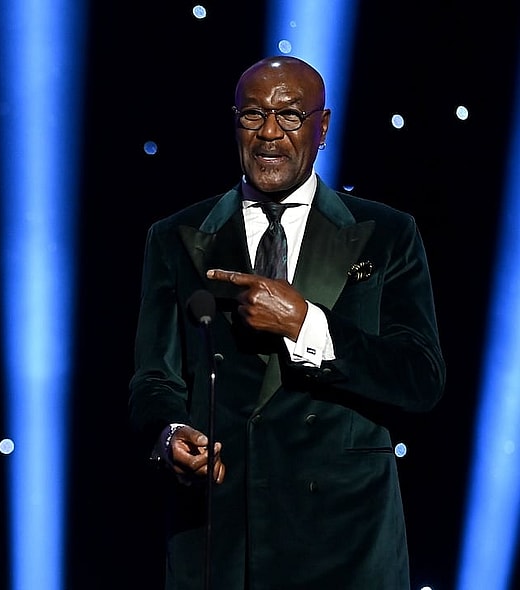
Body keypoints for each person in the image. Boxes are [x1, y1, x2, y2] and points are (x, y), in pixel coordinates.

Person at [128, 56, 445, 589]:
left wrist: (307, 325)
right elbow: (153, 378)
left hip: (344, 539)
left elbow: (420, 378)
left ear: (322, 127)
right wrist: (171, 433)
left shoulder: (387, 233)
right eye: (253, 115)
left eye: (290, 116)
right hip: (220, 538)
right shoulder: (177, 236)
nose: (269, 133)